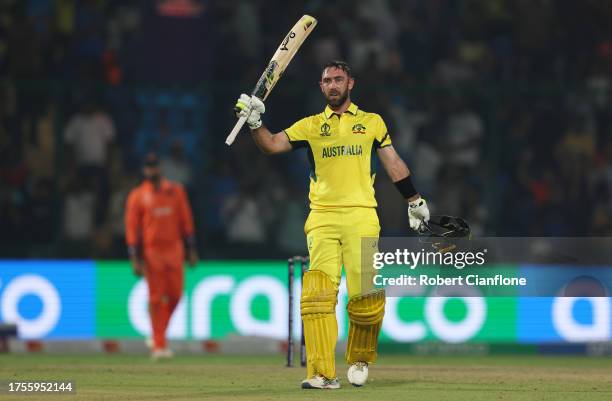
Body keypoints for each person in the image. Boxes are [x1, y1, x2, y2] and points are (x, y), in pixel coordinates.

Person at [234, 61, 430, 389]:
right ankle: (322, 373)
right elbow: (270, 144)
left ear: (350, 83)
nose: (333, 85)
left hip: (362, 217)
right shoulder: (310, 126)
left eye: (339, 79)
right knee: (317, 296)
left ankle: (360, 358)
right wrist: (255, 122)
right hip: (323, 218)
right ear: (321, 87)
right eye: (327, 80)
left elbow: (393, 162)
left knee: (366, 298)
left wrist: (414, 201)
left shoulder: (371, 122)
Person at [125, 153, 198, 360]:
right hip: (152, 252)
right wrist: (134, 257)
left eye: (154, 166)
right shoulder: (137, 195)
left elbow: (187, 221)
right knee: (156, 299)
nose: (151, 170)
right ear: (144, 170)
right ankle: (159, 345)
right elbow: (132, 228)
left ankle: (158, 334)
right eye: (148, 167)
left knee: (176, 296)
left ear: (160, 168)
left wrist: (192, 249)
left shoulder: (176, 191)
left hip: (175, 249)